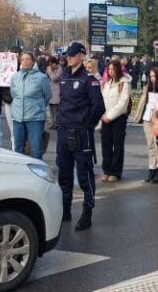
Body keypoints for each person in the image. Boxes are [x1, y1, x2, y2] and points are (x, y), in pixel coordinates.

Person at [56, 42, 105, 231]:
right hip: (63, 130)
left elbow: (98, 107)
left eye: (73, 55)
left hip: (80, 132)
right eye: (68, 55)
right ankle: (65, 209)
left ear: (82, 56)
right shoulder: (64, 76)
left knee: (84, 173)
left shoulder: (88, 79)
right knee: (64, 172)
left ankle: (87, 211)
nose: (69, 58)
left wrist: (86, 124)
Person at [132, 65, 158, 185]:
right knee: (151, 146)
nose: (152, 78)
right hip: (147, 120)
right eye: (150, 76)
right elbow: (142, 102)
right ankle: (152, 169)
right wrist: (138, 115)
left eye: (154, 76)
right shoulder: (147, 88)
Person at [10, 52, 51, 159]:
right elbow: (14, 94)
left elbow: (47, 96)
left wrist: (38, 106)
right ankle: (20, 172)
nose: (25, 62)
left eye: (28, 59)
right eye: (23, 59)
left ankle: (37, 173)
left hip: (35, 118)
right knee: (18, 149)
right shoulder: (15, 76)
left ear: (33, 62)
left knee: (36, 149)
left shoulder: (41, 77)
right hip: (18, 118)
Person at [100, 59, 131, 182]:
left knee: (117, 145)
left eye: (113, 69)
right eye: (109, 69)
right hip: (106, 117)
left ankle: (115, 171)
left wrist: (110, 116)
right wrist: (103, 115)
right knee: (106, 145)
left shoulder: (124, 83)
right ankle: (106, 170)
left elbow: (123, 103)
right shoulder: (107, 83)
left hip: (118, 118)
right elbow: (103, 100)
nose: (111, 72)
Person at [46, 56, 63, 129]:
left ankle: (57, 123)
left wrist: (49, 71)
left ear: (55, 63)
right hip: (50, 89)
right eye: (49, 64)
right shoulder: (49, 68)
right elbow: (46, 77)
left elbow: (54, 78)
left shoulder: (60, 68)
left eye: (52, 64)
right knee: (50, 109)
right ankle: (52, 123)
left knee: (56, 109)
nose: (50, 65)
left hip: (57, 90)